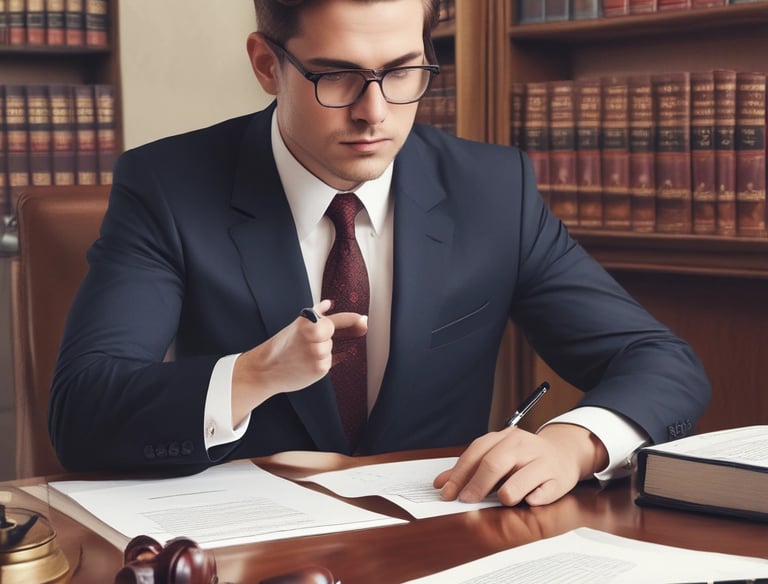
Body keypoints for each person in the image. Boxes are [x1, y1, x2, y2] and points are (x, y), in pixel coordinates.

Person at [49, 0, 710, 507]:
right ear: (265, 64)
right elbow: (81, 410)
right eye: (336, 76)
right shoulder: (168, 186)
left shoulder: (491, 190)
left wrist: (576, 444)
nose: (375, 113)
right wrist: (249, 375)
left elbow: (661, 362)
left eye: (401, 72)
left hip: (442, 546)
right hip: (249, 553)